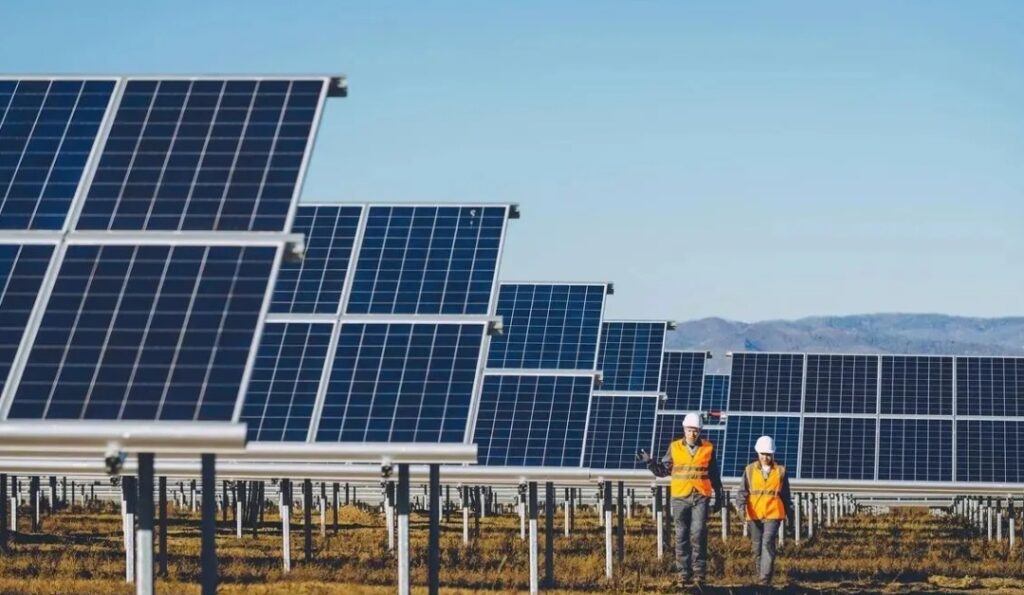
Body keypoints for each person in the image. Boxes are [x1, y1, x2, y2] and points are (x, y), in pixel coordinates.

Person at [638, 413, 724, 587]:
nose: (692, 433)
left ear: (700, 431)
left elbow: (714, 474)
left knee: (698, 532)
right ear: (684, 429)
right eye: (689, 430)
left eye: (695, 430)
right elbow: (664, 470)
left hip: (701, 495)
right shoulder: (675, 447)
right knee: (681, 535)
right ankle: (683, 574)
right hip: (680, 496)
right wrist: (649, 462)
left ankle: (700, 574)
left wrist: (719, 496)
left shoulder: (708, 448)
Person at [734, 435, 794, 587]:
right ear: (757, 453)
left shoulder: (780, 471)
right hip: (754, 514)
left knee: (767, 544)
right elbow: (742, 492)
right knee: (756, 548)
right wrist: (741, 509)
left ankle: (764, 580)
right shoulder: (749, 470)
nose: (765, 457)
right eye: (763, 454)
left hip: (773, 513)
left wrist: (790, 516)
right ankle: (762, 578)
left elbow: (786, 495)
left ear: (773, 454)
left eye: (768, 454)